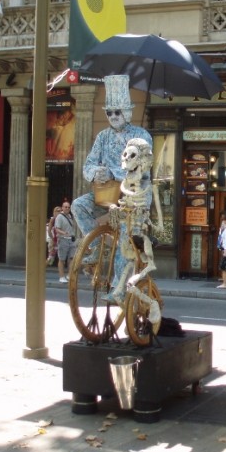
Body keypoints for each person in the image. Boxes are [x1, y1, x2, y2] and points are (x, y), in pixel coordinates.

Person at [71, 75, 153, 291]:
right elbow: (87, 164)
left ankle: (119, 286)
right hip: (107, 193)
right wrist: (94, 173)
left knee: (125, 236)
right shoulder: (103, 136)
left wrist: (113, 173)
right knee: (78, 205)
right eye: (109, 112)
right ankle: (97, 246)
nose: (113, 116)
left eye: (117, 112)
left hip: (133, 196)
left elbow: (141, 168)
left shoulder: (141, 136)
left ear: (127, 111)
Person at [54, 201, 77, 283]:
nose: (67, 208)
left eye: (68, 207)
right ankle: (61, 276)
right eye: (65, 207)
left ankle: (69, 275)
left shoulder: (70, 216)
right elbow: (56, 229)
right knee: (62, 259)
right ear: (62, 207)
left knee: (71, 258)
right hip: (63, 239)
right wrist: (64, 233)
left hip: (71, 239)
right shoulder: (59, 217)